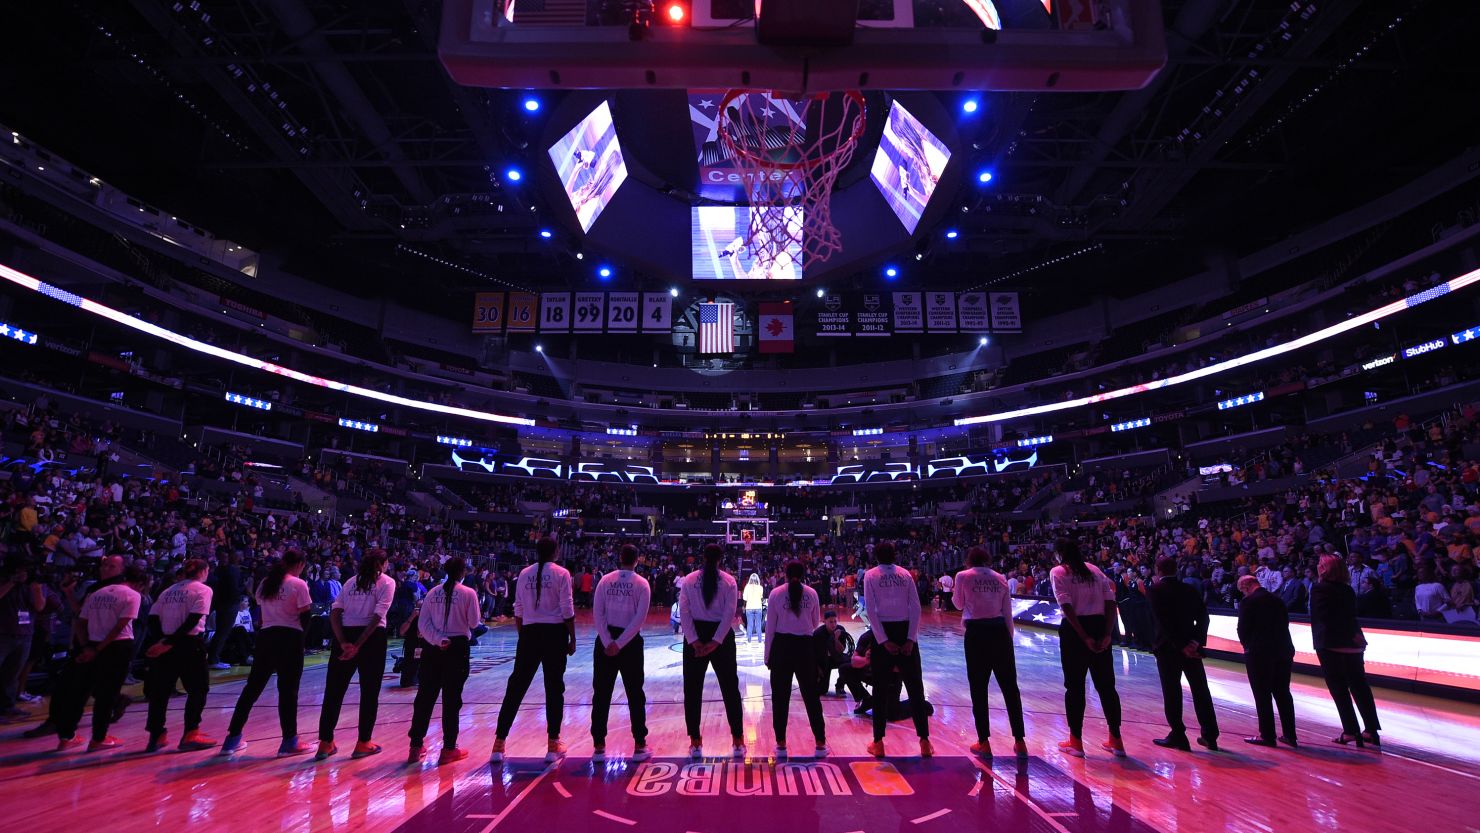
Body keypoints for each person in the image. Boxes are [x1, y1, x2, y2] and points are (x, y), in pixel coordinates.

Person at [492, 537, 576, 764]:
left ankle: (498, 744)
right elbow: (567, 609)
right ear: (556, 552)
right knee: (554, 688)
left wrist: (524, 636)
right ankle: (552, 744)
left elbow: (518, 609)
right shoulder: (562, 573)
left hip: (529, 633)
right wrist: (572, 637)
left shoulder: (524, 574)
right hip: (555, 633)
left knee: (516, 687)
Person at [222, 549, 313, 757]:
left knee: (252, 689)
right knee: (288, 691)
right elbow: (306, 616)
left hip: (266, 637)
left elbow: (262, 614)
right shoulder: (298, 584)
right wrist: (301, 640)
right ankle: (289, 741)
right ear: (299, 564)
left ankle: (231, 739)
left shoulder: (265, 583)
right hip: (289, 638)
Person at [53, 566, 149, 751]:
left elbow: (80, 622)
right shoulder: (133, 595)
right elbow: (120, 627)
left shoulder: (97, 593)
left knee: (80, 693)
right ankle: (98, 738)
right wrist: (98, 649)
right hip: (116, 647)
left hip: (91, 643)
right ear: (140, 583)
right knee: (107, 694)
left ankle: (66, 737)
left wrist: (87, 647)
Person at [315, 550, 394, 760]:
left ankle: (325, 743)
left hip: (346, 634)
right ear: (383, 564)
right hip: (371, 638)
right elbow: (378, 616)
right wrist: (358, 645)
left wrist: (342, 642)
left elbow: (335, 613)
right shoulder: (386, 582)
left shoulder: (350, 582)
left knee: (333, 690)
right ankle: (363, 742)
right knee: (369, 692)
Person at [1049, 537, 1124, 758]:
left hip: (1075, 631)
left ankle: (1076, 741)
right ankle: (1116, 740)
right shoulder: (1094, 570)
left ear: (1060, 554)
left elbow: (1066, 606)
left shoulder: (1058, 572)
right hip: (1100, 625)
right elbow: (1111, 602)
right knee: (1107, 686)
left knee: (1074, 687)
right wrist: (1108, 633)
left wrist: (1083, 636)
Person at [952, 545, 1027, 759]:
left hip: (976, 633)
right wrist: (1009, 639)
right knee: (1010, 688)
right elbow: (1007, 612)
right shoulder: (1000, 577)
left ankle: (984, 742)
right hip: (1000, 632)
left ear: (969, 560)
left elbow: (957, 604)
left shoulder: (963, 576)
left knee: (978, 688)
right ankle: (1020, 741)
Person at [863, 541, 932, 759]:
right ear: (895, 555)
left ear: (875, 556)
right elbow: (916, 607)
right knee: (915, 689)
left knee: (880, 691)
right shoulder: (905, 575)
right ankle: (924, 741)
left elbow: (871, 611)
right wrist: (910, 638)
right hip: (905, 630)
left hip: (884, 631)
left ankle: (878, 742)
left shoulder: (870, 575)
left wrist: (883, 640)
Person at [408, 557, 478, 765]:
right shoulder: (468, 593)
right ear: (463, 572)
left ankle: (415, 746)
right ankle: (448, 748)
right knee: (452, 699)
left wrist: (439, 640)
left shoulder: (432, 592)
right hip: (457, 648)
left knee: (425, 697)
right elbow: (474, 622)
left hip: (434, 647)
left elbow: (423, 624)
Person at [1147, 556, 1219, 752]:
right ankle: (1210, 735)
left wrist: (1181, 646)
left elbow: (1164, 622)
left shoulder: (1156, 590)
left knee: (1172, 692)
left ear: (1158, 570)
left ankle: (1178, 734)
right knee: (1200, 690)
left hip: (1168, 648)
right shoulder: (1189, 589)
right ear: (1176, 569)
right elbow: (1204, 617)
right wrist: (1195, 642)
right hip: (1192, 649)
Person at [679, 543, 745, 760]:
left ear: (703, 557)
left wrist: (694, 641)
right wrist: (716, 641)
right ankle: (738, 740)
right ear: (720, 559)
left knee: (693, 690)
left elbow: (684, 613)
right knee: (730, 690)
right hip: (721, 636)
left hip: (697, 634)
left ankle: (695, 741)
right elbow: (729, 615)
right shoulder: (729, 581)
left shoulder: (689, 580)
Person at [143, 558, 216, 752]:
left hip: (165, 643)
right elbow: (194, 619)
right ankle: (191, 733)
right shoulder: (203, 589)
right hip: (188, 644)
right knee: (198, 689)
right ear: (204, 571)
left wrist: (162, 641)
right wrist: (171, 641)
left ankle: (156, 735)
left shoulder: (169, 590)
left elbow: (152, 617)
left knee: (160, 692)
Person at [1310, 554, 1381, 747]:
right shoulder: (1348, 589)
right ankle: (1371, 730)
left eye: (1320, 564)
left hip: (1331, 643)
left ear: (1325, 569)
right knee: (1360, 686)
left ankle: (1350, 730)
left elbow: (1322, 617)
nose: (1317, 566)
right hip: (1353, 642)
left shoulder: (1319, 588)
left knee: (1339, 688)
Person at [590, 544, 652, 762]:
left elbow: (597, 613)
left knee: (602, 694)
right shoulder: (642, 584)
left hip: (606, 642)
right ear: (637, 560)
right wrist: (621, 643)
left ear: (619, 558)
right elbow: (639, 619)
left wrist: (608, 641)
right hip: (630, 643)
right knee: (635, 694)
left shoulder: (605, 581)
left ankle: (598, 745)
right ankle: (640, 744)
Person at [765, 560, 828, 759]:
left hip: (782, 647)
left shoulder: (775, 594)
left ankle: (781, 743)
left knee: (780, 698)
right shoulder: (812, 593)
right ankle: (820, 742)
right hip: (805, 647)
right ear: (804, 573)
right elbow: (815, 622)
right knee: (811, 697)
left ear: (784, 573)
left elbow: (770, 629)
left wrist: (768, 656)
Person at [1235, 575, 1298, 748]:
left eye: (1242, 589)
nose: (1243, 593)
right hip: (1283, 649)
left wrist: (1247, 646)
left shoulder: (1249, 602)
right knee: (1283, 692)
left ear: (1247, 585)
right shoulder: (1277, 600)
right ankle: (1290, 735)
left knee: (1262, 694)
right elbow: (1285, 623)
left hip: (1259, 651)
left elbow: (1243, 629)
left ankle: (1267, 735)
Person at [0, 556, 44, 717]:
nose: (24, 574)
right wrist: (11, 582)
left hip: (25, 634)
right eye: (21, 570)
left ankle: (7, 707)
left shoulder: (31, 586)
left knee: (12, 674)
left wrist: (37, 589)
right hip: (3, 633)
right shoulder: (5, 582)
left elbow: (40, 607)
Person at [812, 607, 852, 696]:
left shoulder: (840, 630)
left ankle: (840, 686)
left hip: (836, 657)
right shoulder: (818, 633)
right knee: (822, 691)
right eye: (830, 622)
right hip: (822, 661)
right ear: (824, 621)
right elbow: (813, 654)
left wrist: (836, 639)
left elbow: (841, 650)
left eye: (835, 621)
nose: (833, 624)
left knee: (848, 663)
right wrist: (817, 669)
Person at [742, 573, 765, 643]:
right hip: (758, 607)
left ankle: (749, 640)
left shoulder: (747, 587)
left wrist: (744, 606)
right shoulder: (760, 587)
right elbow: (761, 598)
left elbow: (744, 598)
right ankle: (760, 640)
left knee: (750, 625)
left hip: (749, 607)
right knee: (758, 625)